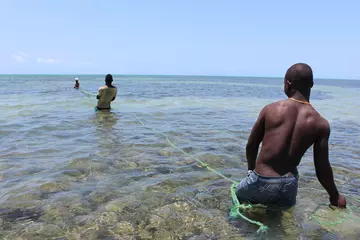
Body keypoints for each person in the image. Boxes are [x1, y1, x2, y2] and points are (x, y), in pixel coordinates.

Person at [236, 63, 346, 208]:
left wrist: (251, 171)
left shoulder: (271, 109)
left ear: (287, 84)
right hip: (288, 186)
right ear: (311, 84)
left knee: (237, 198)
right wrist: (335, 196)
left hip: (261, 180)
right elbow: (322, 167)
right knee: (276, 219)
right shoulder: (321, 123)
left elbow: (251, 145)